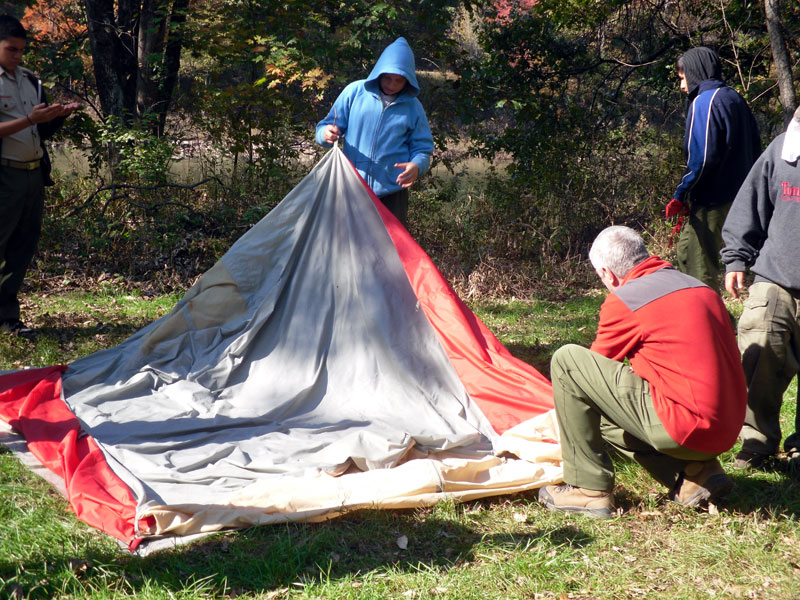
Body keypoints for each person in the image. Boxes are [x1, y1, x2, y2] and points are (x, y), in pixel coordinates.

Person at [538, 225, 746, 518]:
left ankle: (588, 490)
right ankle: (696, 474)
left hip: (687, 429)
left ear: (608, 274)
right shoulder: (700, 287)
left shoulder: (626, 300)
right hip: (728, 429)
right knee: (605, 420)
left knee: (567, 361)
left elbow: (587, 377)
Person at [720, 106, 800, 471]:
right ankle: (757, 442)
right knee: (759, 346)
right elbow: (749, 205)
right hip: (776, 278)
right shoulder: (783, 151)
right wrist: (736, 258)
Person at [0, 14, 78, 336]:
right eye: (11, 49)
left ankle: (7, 317)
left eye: (22, 50)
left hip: (33, 175)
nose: (18, 56)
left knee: (22, 246)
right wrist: (31, 120)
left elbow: (39, 132)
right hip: (4, 175)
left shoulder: (31, 80)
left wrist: (56, 117)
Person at [666, 47, 760, 292]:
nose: (682, 86)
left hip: (713, 200)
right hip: (739, 198)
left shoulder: (704, 102)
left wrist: (681, 193)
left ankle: (709, 314)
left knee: (699, 268)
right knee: (685, 251)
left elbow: (702, 158)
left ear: (695, 71)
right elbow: (755, 147)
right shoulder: (734, 97)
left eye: (683, 78)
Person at [315, 37, 434, 228]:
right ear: (379, 72)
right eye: (387, 78)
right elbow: (325, 127)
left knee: (389, 246)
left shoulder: (413, 107)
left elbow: (423, 149)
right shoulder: (354, 92)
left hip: (391, 195)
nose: (391, 84)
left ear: (408, 81)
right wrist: (325, 134)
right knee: (346, 243)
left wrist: (417, 166)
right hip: (350, 187)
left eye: (398, 80)